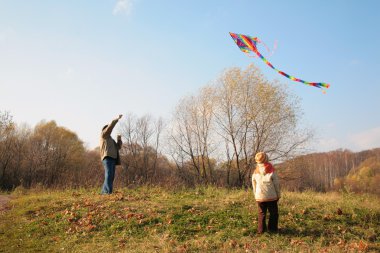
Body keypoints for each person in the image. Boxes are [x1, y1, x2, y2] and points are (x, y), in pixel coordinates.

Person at [251, 152, 281, 234]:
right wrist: (278, 195)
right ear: (266, 159)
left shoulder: (255, 171)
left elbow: (254, 185)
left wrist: (255, 195)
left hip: (259, 197)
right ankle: (272, 229)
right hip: (271, 196)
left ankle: (261, 231)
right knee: (274, 213)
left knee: (261, 213)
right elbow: (276, 184)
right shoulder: (271, 169)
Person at [100, 115, 123, 194]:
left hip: (113, 158)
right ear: (105, 129)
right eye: (107, 129)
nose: (109, 130)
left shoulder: (110, 139)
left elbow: (118, 147)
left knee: (111, 176)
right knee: (109, 174)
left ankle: (105, 191)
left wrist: (119, 139)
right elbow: (110, 127)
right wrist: (117, 119)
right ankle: (106, 192)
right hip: (107, 158)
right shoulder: (104, 135)